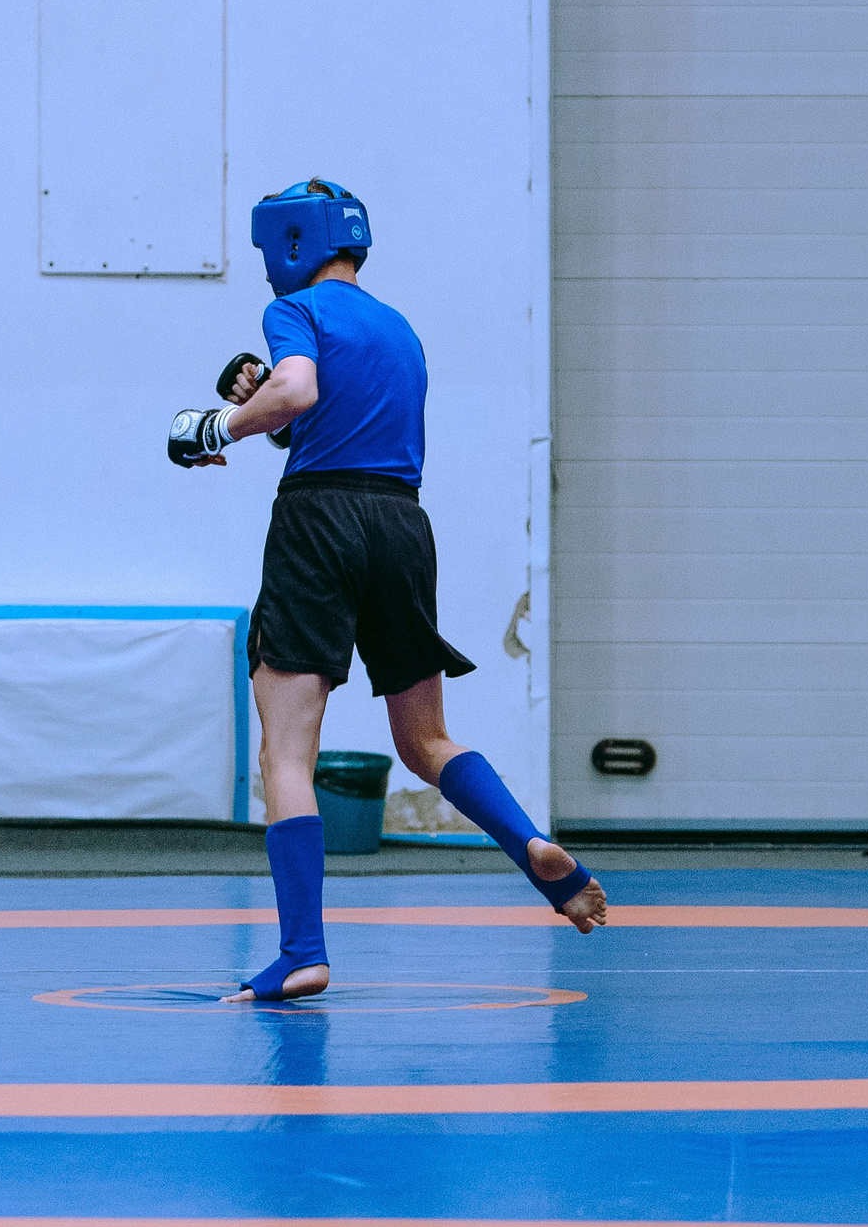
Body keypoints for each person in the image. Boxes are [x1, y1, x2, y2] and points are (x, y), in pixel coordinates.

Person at [172, 178, 606, 1002]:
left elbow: (296, 392)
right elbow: (325, 420)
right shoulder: (400, 328)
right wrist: (267, 412)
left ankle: (302, 950)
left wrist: (212, 428)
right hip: (401, 525)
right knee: (425, 741)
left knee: (286, 753)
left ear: (288, 244)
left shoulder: (296, 310)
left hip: (318, 524)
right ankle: (534, 850)